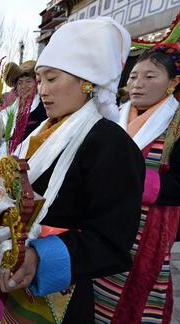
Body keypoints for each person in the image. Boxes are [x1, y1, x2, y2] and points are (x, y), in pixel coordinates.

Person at [0, 18, 144, 323]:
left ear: (87, 80)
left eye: (51, 78)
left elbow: (111, 241)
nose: (42, 90)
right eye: (39, 79)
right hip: (7, 274)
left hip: (58, 297)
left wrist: (39, 256)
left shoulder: (109, 143)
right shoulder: (42, 131)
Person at [94, 44, 180, 323]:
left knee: (135, 301)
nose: (138, 84)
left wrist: (127, 181)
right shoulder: (112, 117)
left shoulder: (176, 126)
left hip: (147, 233)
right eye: (132, 77)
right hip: (103, 227)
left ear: (173, 82)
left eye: (150, 76)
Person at [0, 60, 47, 152]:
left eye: (28, 81)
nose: (23, 86)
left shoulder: (44, 109)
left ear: (36, 83)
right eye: (20, 83)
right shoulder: (5, 114)